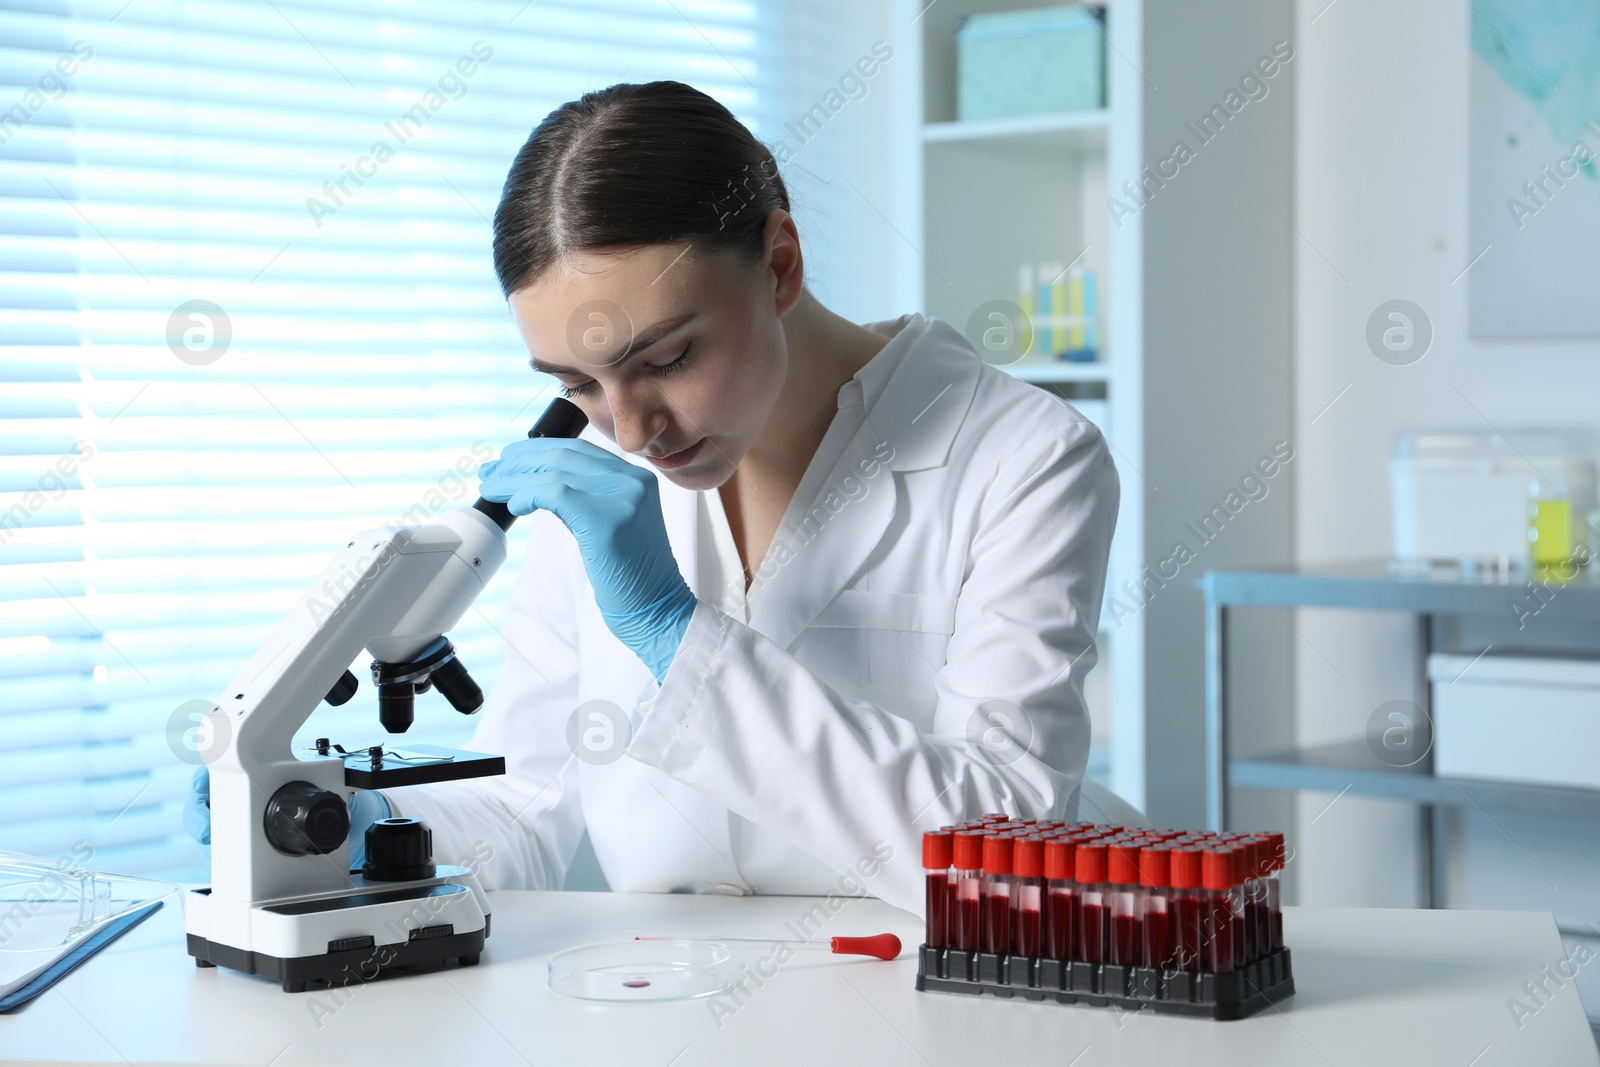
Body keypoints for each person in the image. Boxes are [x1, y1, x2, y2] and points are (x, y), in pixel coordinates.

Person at [186, 80, 1120, 916]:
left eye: (666, 358)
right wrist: (364, 824)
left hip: (922, 992)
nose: (630, 431)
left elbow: (1008, 861)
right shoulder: (593, 488)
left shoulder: (1023, 457)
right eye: (578, 385)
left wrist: (678, 637)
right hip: (664, 998)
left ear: (781, 263)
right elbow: (527, 808)